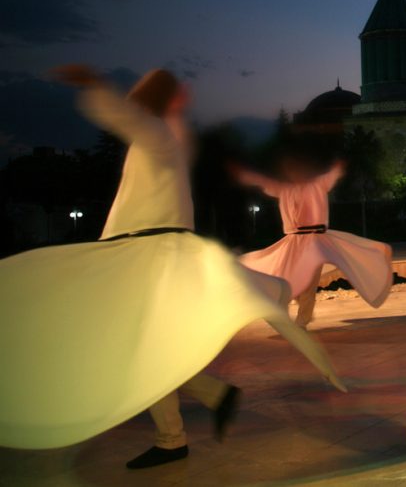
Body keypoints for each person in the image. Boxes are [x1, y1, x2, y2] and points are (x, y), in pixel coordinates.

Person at [0, 66, 344, 469]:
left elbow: (122, 117)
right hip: (150, 250)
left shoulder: (159, 133)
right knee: (145, 347)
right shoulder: (171, 134)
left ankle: (176, 433)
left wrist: (94, 86)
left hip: (147, 253)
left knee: (140, 348)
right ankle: (209, 402)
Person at [232, 156, 393, 328]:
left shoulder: (317, 184)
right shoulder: (285, 188)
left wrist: (339, 166)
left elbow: (332, 174)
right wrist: (245, 174)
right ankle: (298, 311)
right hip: (294, 241)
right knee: (287, 279)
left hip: (316, 241)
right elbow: (263, 182)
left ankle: (303, 320)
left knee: (308, 282)